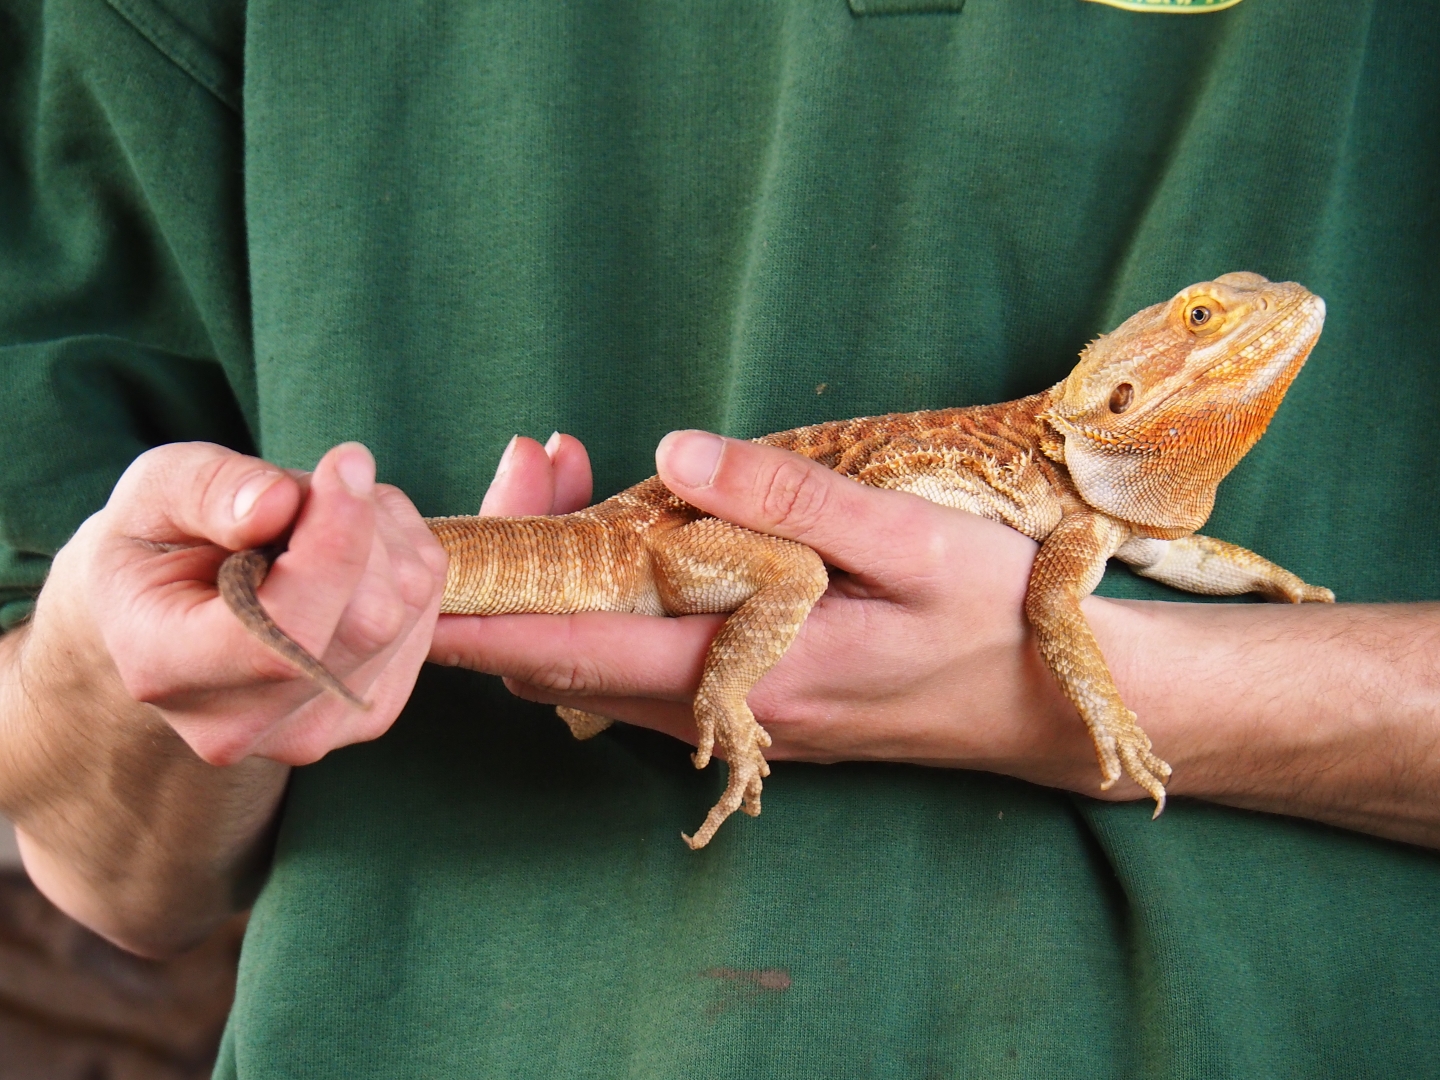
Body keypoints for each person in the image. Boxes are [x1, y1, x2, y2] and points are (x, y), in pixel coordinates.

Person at [2, 0, 1438, 1075]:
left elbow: (1168, 563)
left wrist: (1207, 662)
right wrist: (108, 664)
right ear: (1120, 382)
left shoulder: (1074, 491)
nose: (1241, 326)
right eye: (1198, 321)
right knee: (790, 570)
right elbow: (110, 867)